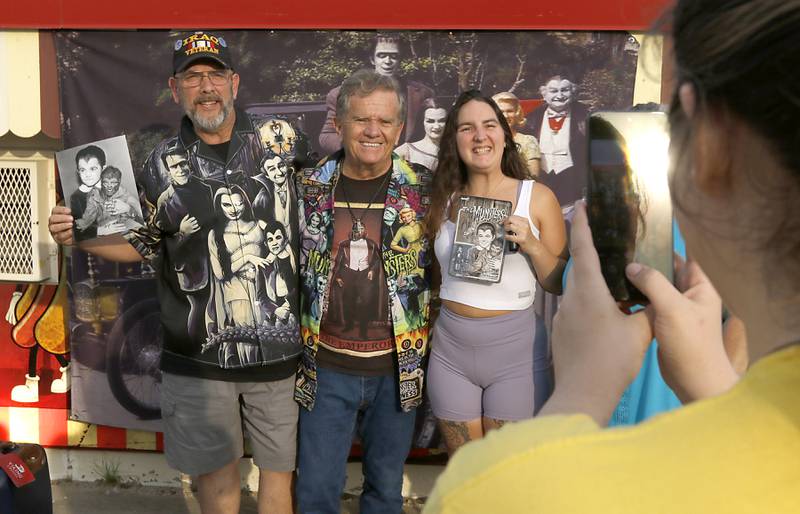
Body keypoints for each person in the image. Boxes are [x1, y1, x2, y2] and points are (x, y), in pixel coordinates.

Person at [424, 0, 800, 511]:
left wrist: (581, 390)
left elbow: (497, 489)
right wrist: (713, 387)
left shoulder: (495, 489)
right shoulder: (443, 198)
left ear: (705, 148)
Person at [48, 31, 304, 514]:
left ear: (235, 82)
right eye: (192, 78)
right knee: (218, 482)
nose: (206, 87)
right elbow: (139, 244)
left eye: (214, 75)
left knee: (278, 481)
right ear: (175, 88)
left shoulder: (281, 140)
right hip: (198, 359)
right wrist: (77, 232)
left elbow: (338, 182)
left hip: (276, 348)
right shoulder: (156, 164)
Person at [296, 68, 434, 514]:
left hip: (397, 368)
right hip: (324, 367)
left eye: (385, 121)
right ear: (338, 124)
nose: (373, 131)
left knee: (385, 493)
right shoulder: (307, 188)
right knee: (315, 492)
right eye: (361, 120)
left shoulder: (428, 192)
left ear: (400, 127)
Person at [424, 90, 567, 455]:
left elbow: (558, 283)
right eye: (467, 128)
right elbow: (437, 280)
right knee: (466, 472)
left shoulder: (537, 197)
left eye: (489, 125)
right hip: (450, 353)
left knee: (508, 474)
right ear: (454, 140)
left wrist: (533, 244)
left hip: (515, 354)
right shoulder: (443, 198)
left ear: (505, 135)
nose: (479, 136)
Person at [318, 34, 434, 154]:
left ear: (400, 60)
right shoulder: (341, 93)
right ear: (372, 59)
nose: (388, 61)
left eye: (394, 56)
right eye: (381, 55)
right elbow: (328, 135)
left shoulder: (421, 94)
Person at [524, 75, 590, 215]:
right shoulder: (531, 119)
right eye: (553, 91)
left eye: (564, 90)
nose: (559, 95)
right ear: (544, 94)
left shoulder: (585, 118)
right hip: (542, 179)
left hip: (571, 181)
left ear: (572, 92)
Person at [74, 166, 144, 236]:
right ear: (101, 182)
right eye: (106, 182)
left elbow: (141, 215)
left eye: (113, 183)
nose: (109, 186)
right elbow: (86, 221)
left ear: (119, 182)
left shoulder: (122, 192)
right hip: (106, 232)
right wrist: (100, 230)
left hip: (126, 229)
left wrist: (128, 208)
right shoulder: (94, 196)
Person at [492, 91, 541, 179]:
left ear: (517, 113)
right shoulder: (483, 140)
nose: (505, 116)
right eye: (501, 112)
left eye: (510, 111)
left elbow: (534, 177)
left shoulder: (528, 141)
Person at [395, 98, 447, 171]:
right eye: (430, 121)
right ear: (422, 122)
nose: (436, 126)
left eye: (441, 121)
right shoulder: (405, 151)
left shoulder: (458, 150)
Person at [70, 144, 106, 241]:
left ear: (103, 168)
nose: (87, 174)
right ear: (78, 172)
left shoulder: (112, 187)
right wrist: (100, 231)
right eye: (83, 170)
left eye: (93, 169)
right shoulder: (76, 197)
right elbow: (78, 229)